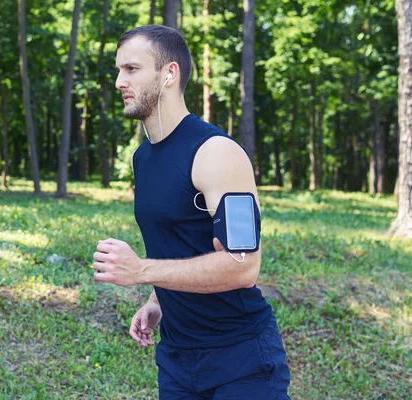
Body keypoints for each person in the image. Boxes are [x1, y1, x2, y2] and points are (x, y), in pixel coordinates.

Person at [92, 25, 291, 399]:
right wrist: (157, 300)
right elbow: (178, 239)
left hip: (241, 361)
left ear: (169, 74)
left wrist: (140, 271)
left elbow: (244, 265)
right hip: (177, 360)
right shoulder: (143, 158)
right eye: (118, 70)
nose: (119, 81)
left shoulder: (216, 152)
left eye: (132, 69)